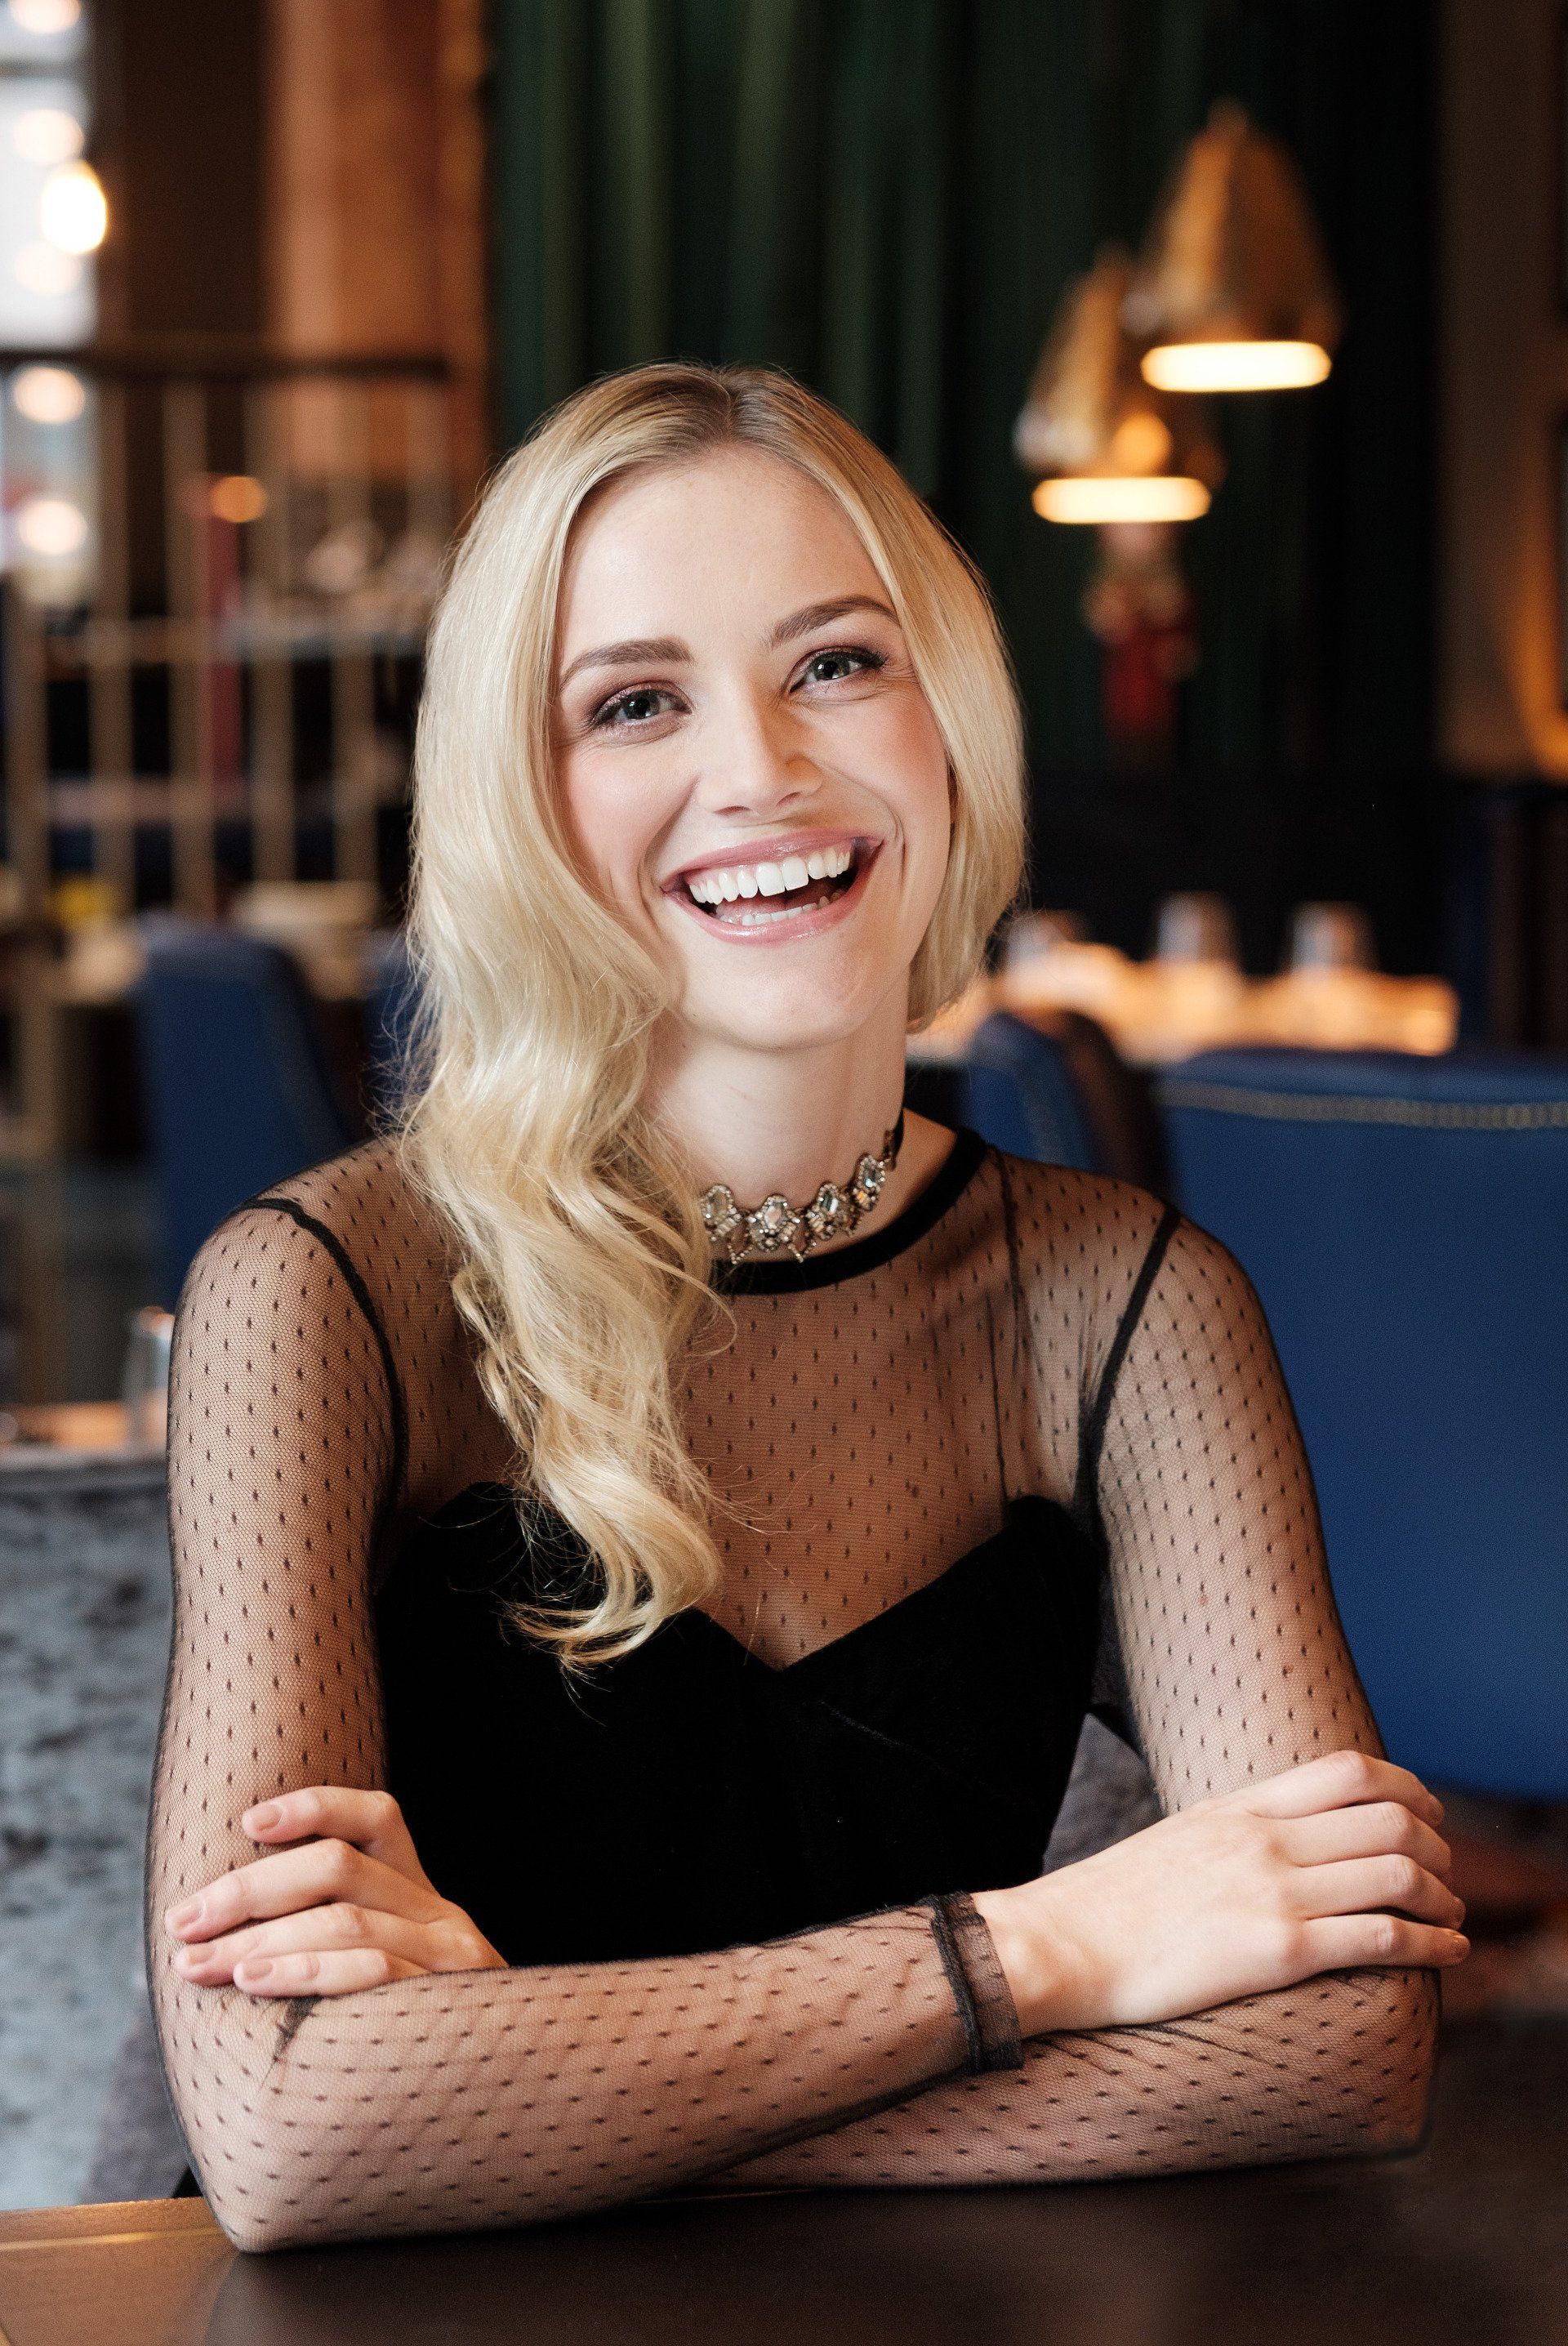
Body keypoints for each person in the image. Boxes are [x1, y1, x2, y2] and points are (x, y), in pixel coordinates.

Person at [148, 363, 1463, 2255]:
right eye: (635, 702)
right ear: (522, 795)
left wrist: (523, 2080)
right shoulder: (326, 1293)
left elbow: (1350, 2040)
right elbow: (284, 2130)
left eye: (836, 662)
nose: (761, 767)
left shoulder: (1125, 1303)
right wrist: (1052, 1949)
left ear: (951, 718)